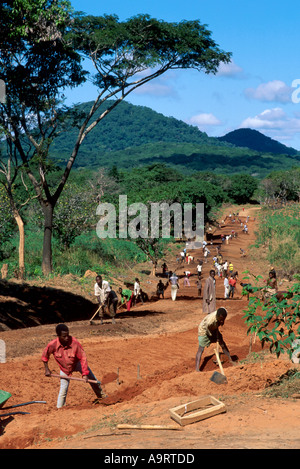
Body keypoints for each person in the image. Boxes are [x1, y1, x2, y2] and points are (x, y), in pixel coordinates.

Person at [42, 324, 106, 408]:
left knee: (92, 379)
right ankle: (59, 409)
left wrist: (85, 374)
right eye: (64, 336)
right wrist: (47, 369)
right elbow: (45, 357)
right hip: (64, 368)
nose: (67, 338)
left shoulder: (75, 343)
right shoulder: (52, 345)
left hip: (76, 364)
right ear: (58, 336)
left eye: (68, 335)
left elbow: (83, 358)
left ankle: (102, 397)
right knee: (63, 389)